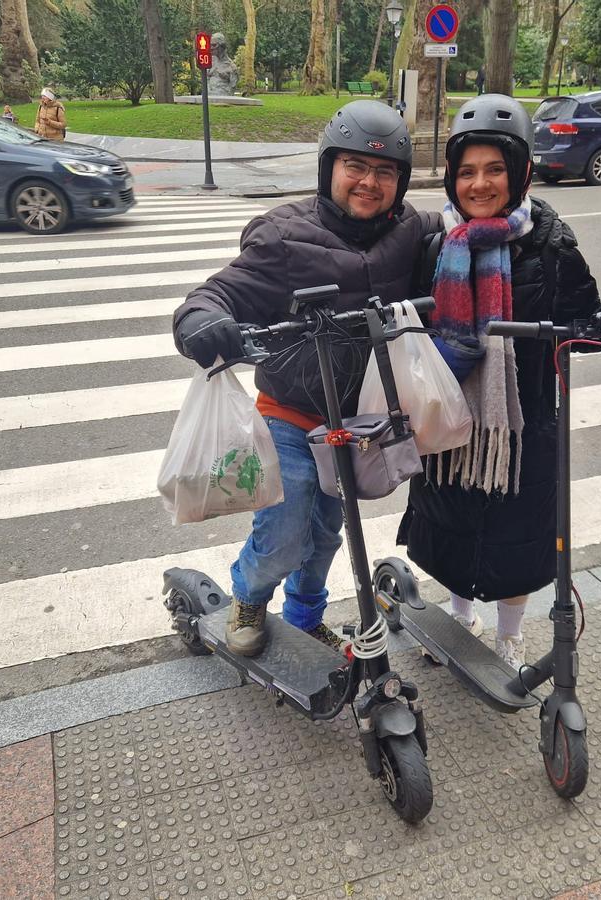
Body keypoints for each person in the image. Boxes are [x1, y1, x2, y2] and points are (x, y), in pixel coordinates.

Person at [396, 94, 601, 669]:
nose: (480, 184)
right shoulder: (435, 243)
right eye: (467, 171)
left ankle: (510, 633)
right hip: (453, 420)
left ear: (520, 172)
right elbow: (407, 327)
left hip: (527, 424)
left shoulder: (549, 242)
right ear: (451, 177)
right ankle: (460, 615)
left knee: (519, 535)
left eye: (495, 169)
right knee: (452, 520)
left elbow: (586, 314)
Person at [172, 100, 443, 656]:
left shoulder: (413, 231)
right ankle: (249, 595)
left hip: (356, 420)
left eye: (385, 171)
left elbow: (470, 229)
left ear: (401, 181)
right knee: (282, 533)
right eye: (355, 167)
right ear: (329, 169)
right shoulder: (283, 236)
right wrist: (202, 319)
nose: (369, 182)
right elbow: (221, 291)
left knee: (324, 535)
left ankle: (304, 616)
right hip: (291, 413)